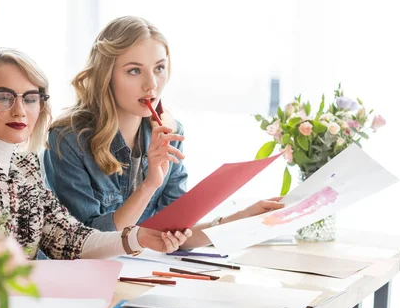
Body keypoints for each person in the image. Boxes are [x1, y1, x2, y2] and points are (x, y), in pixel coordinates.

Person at [0, 48, 192, 308]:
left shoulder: (25, 165)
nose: (19, 110)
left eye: (31, 98)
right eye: (3, 97)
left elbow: (70, 240)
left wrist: (137, 237)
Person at [44, 16, 284, 249]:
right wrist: (149, 185)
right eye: (134, 71)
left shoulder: (169, 130)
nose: (152, 84)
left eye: (159, 68)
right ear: (106, 76)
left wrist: (241, 218)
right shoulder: (69, 140)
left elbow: (173, 233)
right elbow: (89, 243)